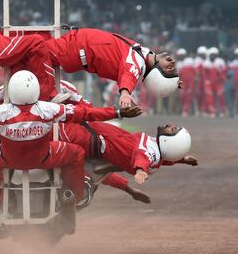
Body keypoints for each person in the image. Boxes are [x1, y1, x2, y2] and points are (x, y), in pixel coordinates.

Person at [0, 70, 142, 208]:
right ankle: (78, 194)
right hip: (47, 154)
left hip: (8, 156)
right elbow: (87, 113)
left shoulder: (1, 111)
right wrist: (118, 112)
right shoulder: (49, 109)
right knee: (79, 156)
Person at [45, 27, 181, 107]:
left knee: (32, 49)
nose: (173, 62)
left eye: (170, 69)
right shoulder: (144, 54)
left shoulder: (137, 63)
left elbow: (129, 74)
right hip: (75, 44)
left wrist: (125, 94)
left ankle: (49, 93)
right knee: (34, 41)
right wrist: (172, 81)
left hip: (73, 49)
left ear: (157, 74)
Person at [59, 121, 197, 185]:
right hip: (92, 132)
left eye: (173, 130)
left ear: (169, 141)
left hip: (88, 138)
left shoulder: (148, 151)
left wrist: (140, 171)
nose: (171, 125)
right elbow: (164, 159)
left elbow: (141, 158)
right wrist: (182, 159)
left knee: (53, 129)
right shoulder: (158, 153)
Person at [176, 48, 196, 117]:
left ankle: (185, 110)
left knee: (189, 96)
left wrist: (196, 79)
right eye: (179, 55)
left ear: (184, 55)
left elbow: (195, 71)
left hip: (190, 82)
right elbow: (178, 74)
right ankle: (183, 109)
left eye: (181, 55)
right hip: (183, 82)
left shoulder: (190, 61)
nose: (180, 56)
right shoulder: (178, 63)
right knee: (182, 96)